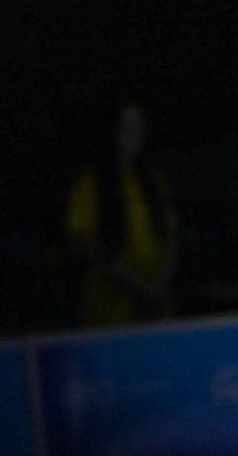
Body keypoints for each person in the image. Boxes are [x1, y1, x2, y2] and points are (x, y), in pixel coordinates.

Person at [65, 100, 179, 326]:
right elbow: (88, 246)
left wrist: (158, 285)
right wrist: (137, 285)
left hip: (156, 307)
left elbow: (170, 237)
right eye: (128, 127)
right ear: (112, 131)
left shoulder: (153, 182)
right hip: (110, 310)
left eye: (140, 127)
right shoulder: (90, 184)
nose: (136, 134)